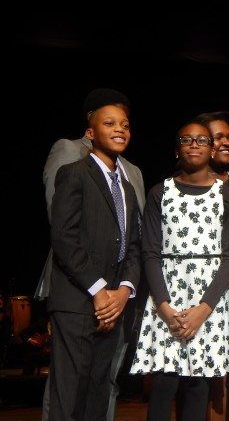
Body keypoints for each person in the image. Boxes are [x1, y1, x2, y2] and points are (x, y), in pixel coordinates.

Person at [38, 88, 146, 421]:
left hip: (114, 304)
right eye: (110, 123)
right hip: (78, 300)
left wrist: (124, 290)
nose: (119, 130)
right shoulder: (74, 172)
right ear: (90, 132)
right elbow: (65, 237)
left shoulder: (127, 185)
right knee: (69, 395)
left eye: (125, 125)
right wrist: (98, 289)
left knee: (100, 391)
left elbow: (133, 244)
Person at [130, 122, 229, 421]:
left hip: (209, 299)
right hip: (168, 296)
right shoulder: (159, 192)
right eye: (186, 139)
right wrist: (164, 308)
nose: (194, 144)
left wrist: (203, 309)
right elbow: (150, 253)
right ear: (176, 148)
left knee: (198, 384)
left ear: (212, 147)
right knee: (164, 383)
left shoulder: (227, 195)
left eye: (201, 139)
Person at [192, 110, 229, 421]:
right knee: (201, 376)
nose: (226, 142)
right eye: (217, 137)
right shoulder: (187, 183)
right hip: (202, 290)